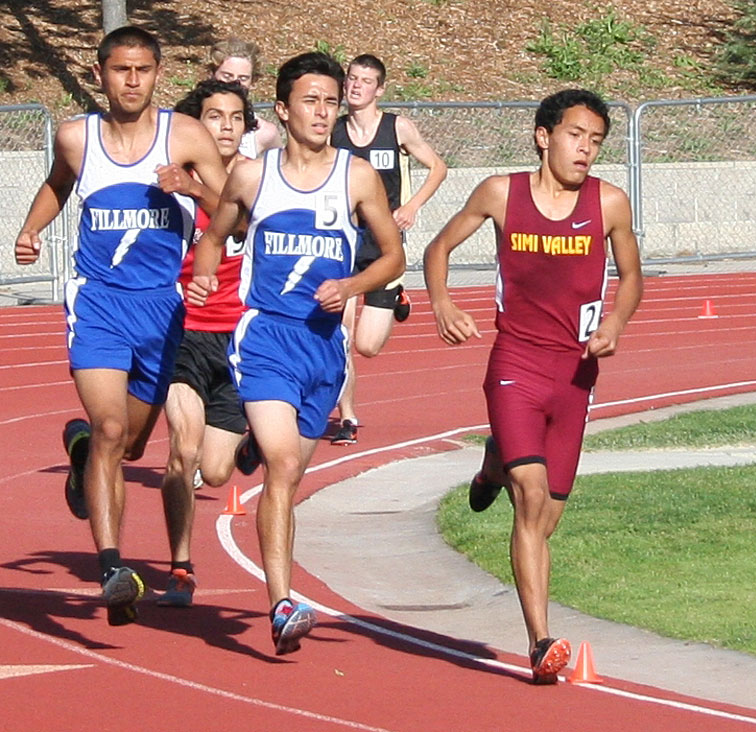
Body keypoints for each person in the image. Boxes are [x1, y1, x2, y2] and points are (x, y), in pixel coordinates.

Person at [423, 89, 643, 683]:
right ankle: (541, 642)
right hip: (516, 364)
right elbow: (437, 247)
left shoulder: (610, 203)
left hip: (576, 374)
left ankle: (492, 463)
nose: (587, 150)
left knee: (548, 516)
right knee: (530, 495)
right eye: (577, 135)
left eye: (596, 141)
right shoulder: (502, 194)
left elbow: (632, 278)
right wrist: (442, 302)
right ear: (544, 135)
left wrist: (616, 323)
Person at [189, 52, 404, 654]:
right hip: (265, 338)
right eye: (310, 100)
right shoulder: (254, 176)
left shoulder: (356, 176)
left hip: (324, 351)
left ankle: (260, 442)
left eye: (331, 101)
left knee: (289, 473)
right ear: (283, 110)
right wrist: (204, 276)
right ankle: (282, 602)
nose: (322, 111)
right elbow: (214, 237)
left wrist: (354, 286)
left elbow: (392, 255)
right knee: (282, 466)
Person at [13, 26, 227, 625]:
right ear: (100, 73)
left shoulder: (185, 135)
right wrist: (31, 230)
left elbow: (232, 212)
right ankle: (112, 566)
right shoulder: (77, 138)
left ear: (159, 74)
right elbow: (58, 185)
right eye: (120, 70)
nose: (132, 81)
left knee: (129, 443)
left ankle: (83, 454)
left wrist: (192, 185)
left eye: (143, 70)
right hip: (98, 299)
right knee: (110, 428)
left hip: (162, 305)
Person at [154, 79, 259, 608]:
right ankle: (181, 565)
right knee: (183, 449)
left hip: (239, 339)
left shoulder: (261, 181)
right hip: (184, 332)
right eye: (213, 116)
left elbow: (241, 219)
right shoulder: (170, 179)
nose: (224, 125)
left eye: (235, 117)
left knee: (217, 471)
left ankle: (250, 440)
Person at [328, 54, 447, 445]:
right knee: (341, 336)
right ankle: (347, 417)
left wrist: (411, 207)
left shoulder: (397, 128)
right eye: (351, 79)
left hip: (384, 247)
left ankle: (396, 293)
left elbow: (438, 167)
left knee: (367, 345)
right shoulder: (334, 131)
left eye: (365, 81)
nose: (355, 87)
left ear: (379, 89)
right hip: (344, 243)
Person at [209, 37, 281, 158]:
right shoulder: (190, 121)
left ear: (252, 82)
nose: (235, 83)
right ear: (211, 74)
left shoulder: (263, 132)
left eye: (243, 78)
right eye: (227, 76)